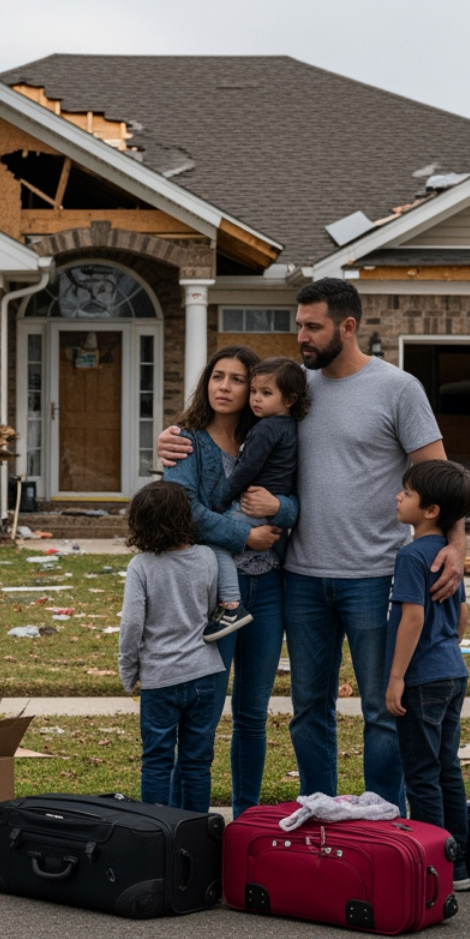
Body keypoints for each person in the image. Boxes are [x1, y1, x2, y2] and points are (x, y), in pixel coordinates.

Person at [158, 279, 464, 810]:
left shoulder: (397, 388)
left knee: (380, 710)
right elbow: (230, 424)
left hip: (375, 576)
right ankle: (321, 820)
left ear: (347, 326)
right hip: (299, 577)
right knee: (308, 711)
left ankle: (380, 823)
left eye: (313, 326)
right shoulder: (296, 388)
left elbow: (441, 479)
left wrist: (456, 549)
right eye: (299, 324)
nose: (302, 335)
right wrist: (170, 436)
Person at [163, 346, 299, 817]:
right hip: (211, 593)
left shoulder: (273, 435)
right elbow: (184, 509)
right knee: (201, 711)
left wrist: (279, 509)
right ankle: (184, 823)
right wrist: (246, 535)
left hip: (268, 589)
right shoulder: (187, 441)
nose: (224, 386)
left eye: (237, 379)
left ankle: (246, 820)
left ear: (256, 389)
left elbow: (300, 499)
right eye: (217, 376)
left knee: (252, 714)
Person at [386, 459, 470, 892]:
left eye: (407, 493)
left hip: (422, 679)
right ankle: (458, 865)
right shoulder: (449, 556)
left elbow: (413, 618)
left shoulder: (412, 555)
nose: (399, 497)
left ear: (431, 510)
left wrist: (396, 677)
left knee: (422, 775)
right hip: (453, 672)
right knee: (447, 769)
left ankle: (432, 868)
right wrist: (446, 649)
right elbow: (462, 617)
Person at [118, 481, 227, 813]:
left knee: (156, 761)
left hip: (160, 678)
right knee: (197, 763)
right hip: (204, 673)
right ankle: (195, 833)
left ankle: (156, 832)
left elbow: (132, 626)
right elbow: (211, 608)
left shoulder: (141, 566)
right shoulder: (207, 558)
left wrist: (128, 671)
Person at [203, 357, 310, 641]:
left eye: (266, 393)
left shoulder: (265, 429)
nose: (256, 399)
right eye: (253, 391)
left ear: (289, 399)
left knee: (216, 542)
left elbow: (245, 471)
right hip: (271, 506)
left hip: (252, 505)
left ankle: (230, 605)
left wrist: (221, 501)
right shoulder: (291, 427)